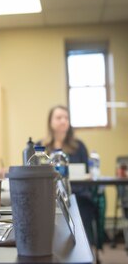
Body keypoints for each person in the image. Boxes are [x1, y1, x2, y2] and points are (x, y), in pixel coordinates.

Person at [37, 105, 103, 248]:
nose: (63, 121)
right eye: (59, 117)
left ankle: (84, 249)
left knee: (81, 209)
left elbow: (87, 172)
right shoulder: (40, 147)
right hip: (48, 197)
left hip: (77, 195)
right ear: (50, 122)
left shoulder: (78, 146)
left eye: (66, 118)